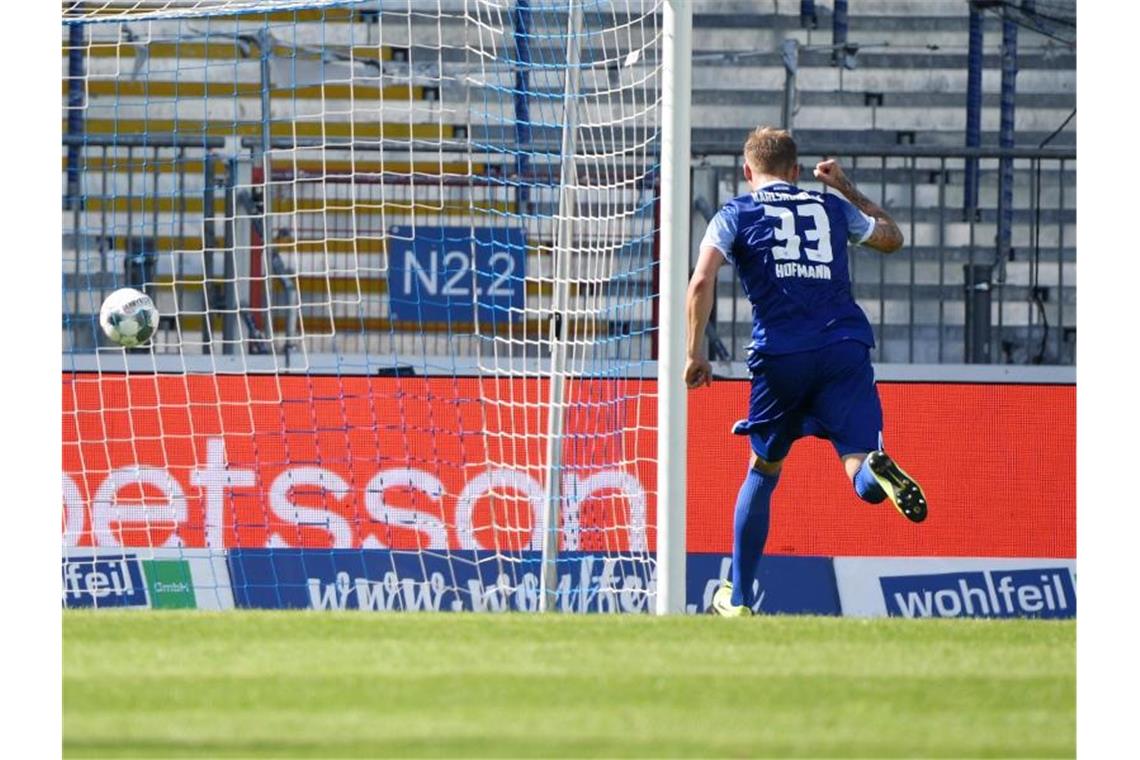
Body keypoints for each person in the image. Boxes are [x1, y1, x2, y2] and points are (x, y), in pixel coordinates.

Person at [685, 126, 928, 618]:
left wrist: (695, 354)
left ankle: (739, 599)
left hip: (782, 356)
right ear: (797, 172)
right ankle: (877, 473)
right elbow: (892, 238)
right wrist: (844, 185)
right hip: (845, 347)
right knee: (859, 462)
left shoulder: (735, 212)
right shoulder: (830, 207)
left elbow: (701, 281)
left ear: (747, 171)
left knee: (764, 468)